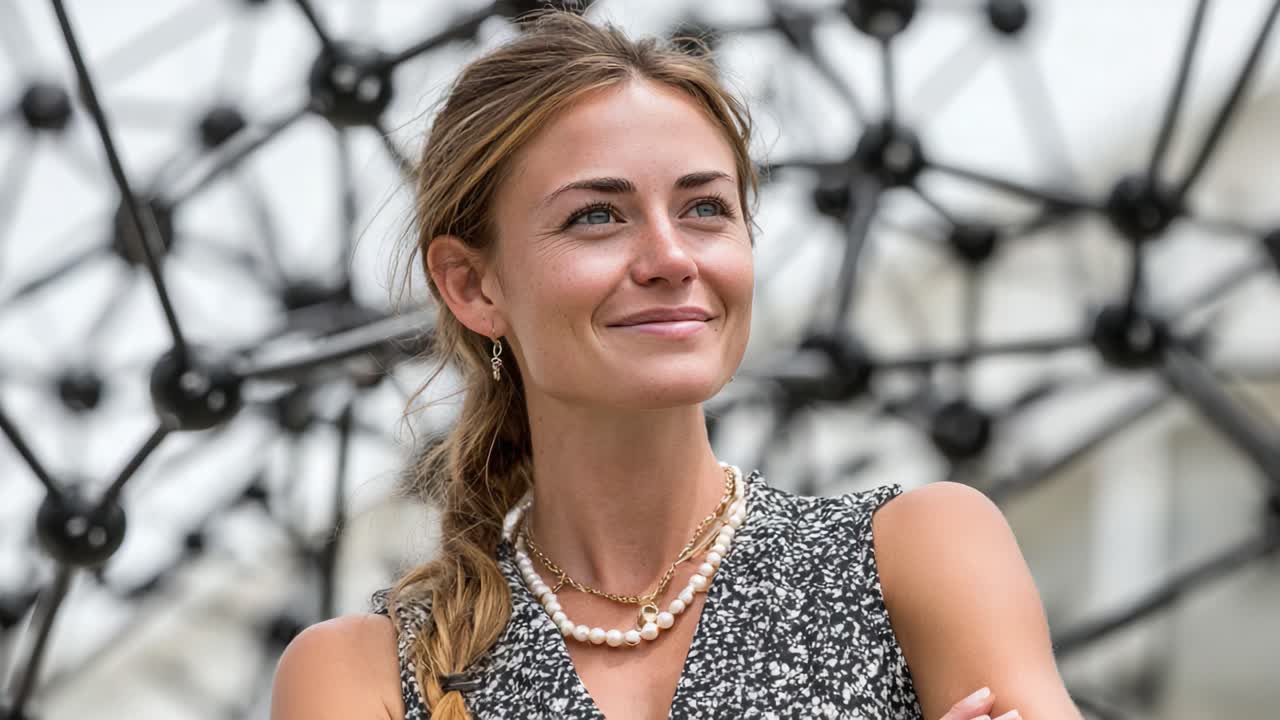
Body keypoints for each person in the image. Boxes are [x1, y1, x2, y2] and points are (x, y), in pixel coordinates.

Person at [271, 9, 1083, 720]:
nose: (669, 257)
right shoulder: (362, 675)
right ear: (473, 284)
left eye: (704, 209)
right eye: (597, 216)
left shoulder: (921, 552)